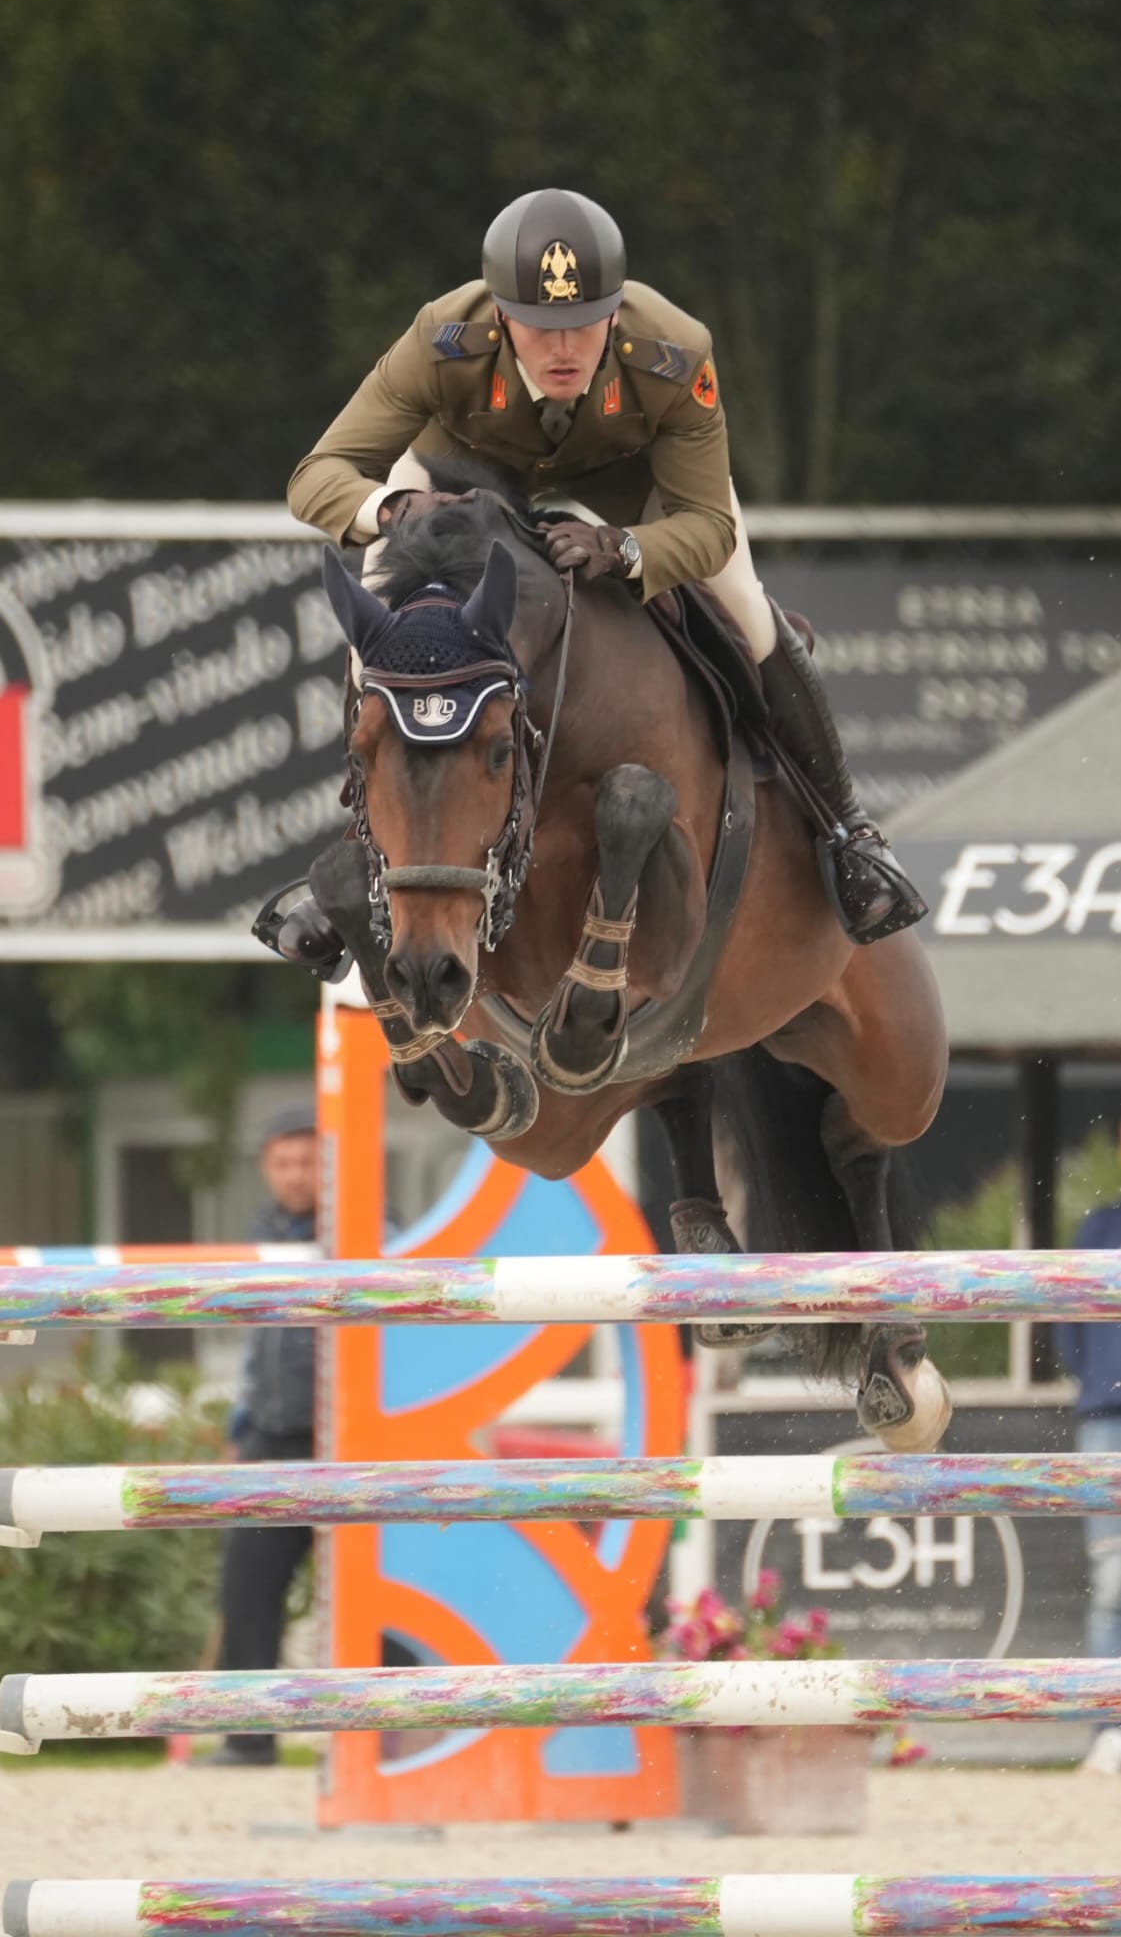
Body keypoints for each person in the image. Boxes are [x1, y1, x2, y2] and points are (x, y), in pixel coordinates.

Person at [276, 187, 923, 972]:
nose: (563, 348)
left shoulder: (673, 350)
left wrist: (626, 549)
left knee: (749, 613)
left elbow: (707, 524)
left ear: (615, 315)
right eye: (538, 326)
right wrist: (392, 507)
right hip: (467, 476)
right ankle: (355, 847)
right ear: (499, 316)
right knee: (380, 624)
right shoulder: (441, 338)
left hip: (630, 485)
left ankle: (848, 833)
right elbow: (316, 476)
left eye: (585, 324)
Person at [205, 1105, 319, 1766]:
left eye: (307, 1161)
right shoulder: (263, 1234)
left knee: (377, 1591)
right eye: (284, 1162)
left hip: (347, 1441)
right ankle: (249, 1737)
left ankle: (392, 1736)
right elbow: (257, 1349)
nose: (296, 1174)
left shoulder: (372, 1227)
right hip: (271, 1436)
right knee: (246, 1587)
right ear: (266, 1167)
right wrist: (239, 1428)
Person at [1054, 1130, 1121, 1775]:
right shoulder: (1098, 1229)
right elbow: (1067, 1332)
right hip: (1107, 1423)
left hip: (1103, 1415)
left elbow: (1070, 1341)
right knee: (1113, 1584)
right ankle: (1110, 1725)